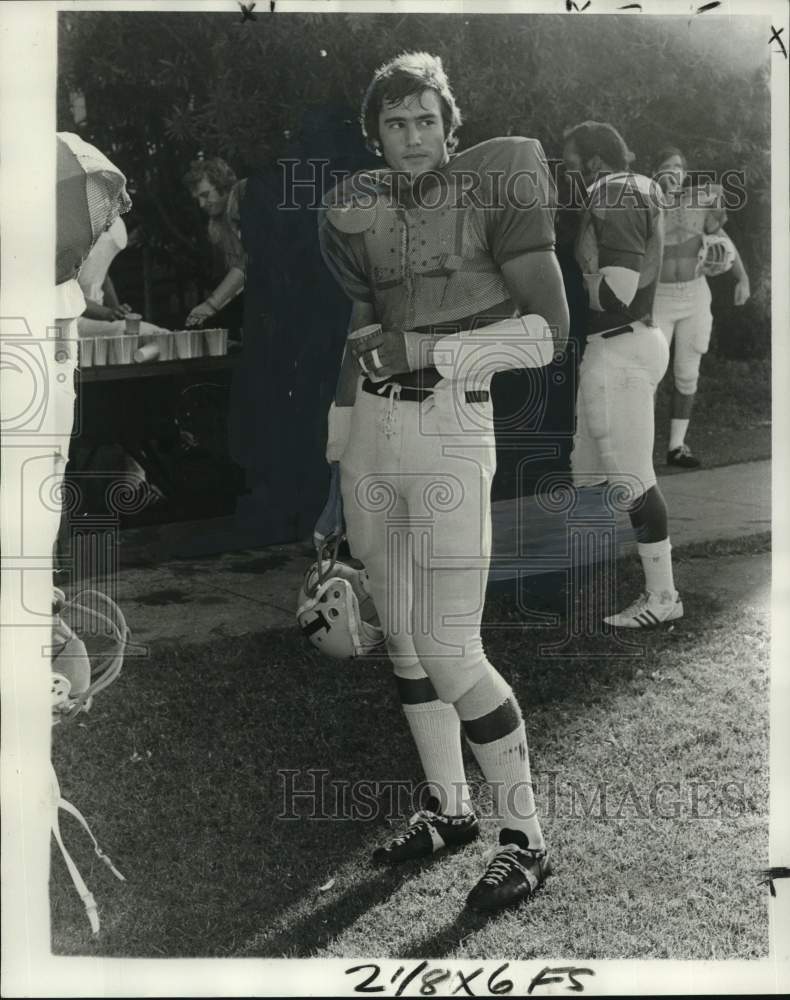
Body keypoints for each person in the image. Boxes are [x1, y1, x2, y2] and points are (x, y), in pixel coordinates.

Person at [317, 52, 568, 913]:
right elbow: (360, 337)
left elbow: (549, 334)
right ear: (375, 134)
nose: (412, 137)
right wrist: (337, 462)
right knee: (402, 641)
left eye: (426, 119)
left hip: (453, 423)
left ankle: (525, 838)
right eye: (396, 123)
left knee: (453, 647)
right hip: (374, 437)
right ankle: (449, 808)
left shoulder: (493, 196)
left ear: (450, 126)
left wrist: (429, 349)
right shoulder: (369, 214)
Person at [561, 121, 682, 629]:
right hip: (621, 345)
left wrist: (585, 274)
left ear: (591, 161)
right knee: (587, 470)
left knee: (634, 479)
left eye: (569, 160)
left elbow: (619, 292)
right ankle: (584, 584)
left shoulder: (614, 188)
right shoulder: (636, 187)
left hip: (620, 347)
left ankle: (663, 596)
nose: (565, 169)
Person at [651, 146, 751, 468]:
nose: (674, 172)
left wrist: (743, 278)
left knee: (687, 374)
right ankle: (638, 449)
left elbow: (719, 234)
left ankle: (676, 447)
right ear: (655, 172)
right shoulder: (647, 202)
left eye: (679, 166)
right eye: (667, 166)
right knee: (649, 373)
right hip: (660, 297)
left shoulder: (700, 199)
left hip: (694, 294)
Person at [182, 157, 246, 334]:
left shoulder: (244, 197)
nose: (202, 204)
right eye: (197, 199)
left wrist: (211, 305)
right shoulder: (217, 224)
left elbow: (248, 261)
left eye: (205, 195)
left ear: (223, 184)